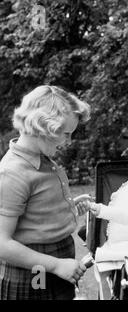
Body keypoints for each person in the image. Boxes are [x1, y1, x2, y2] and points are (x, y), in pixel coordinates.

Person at [0, 85, 92, 300]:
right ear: (43, 127)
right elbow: (2, 243)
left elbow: (35, 213)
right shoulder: (13, 173)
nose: (68, 142)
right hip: (33, 271)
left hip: (55, 263)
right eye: (66, 134)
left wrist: (66, 207)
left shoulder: (43, 160)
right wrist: (56, 265)